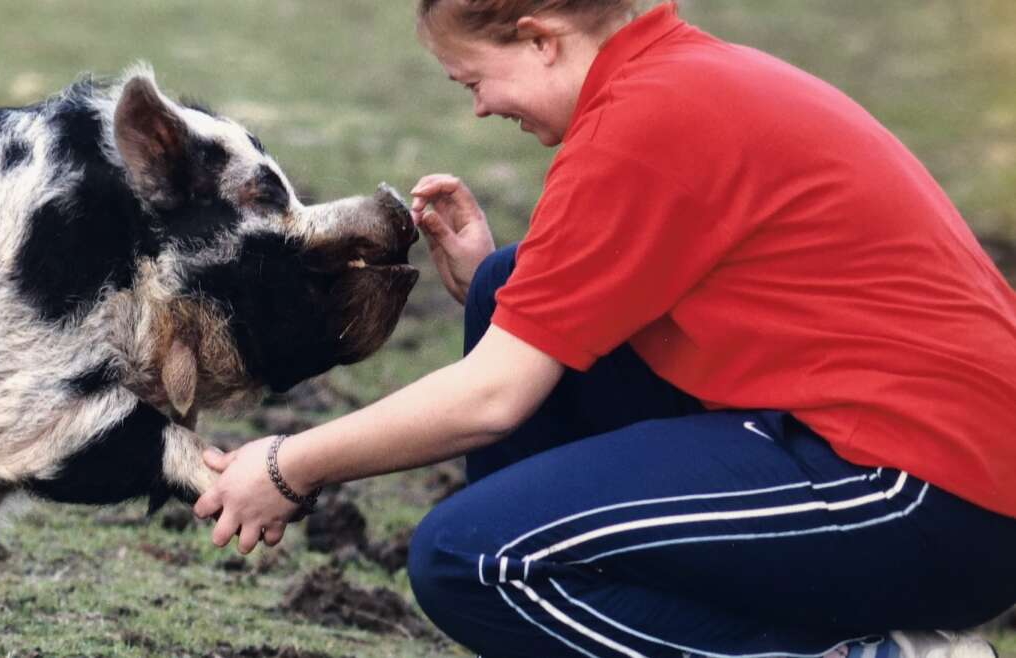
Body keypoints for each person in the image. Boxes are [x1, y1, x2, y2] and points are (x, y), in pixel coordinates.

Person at [193, 1, 1016, 656]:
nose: (479, 108)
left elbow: (494, 400)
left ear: (539, 38)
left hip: (927, 494)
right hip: (885, 456)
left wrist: (291, 464)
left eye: (472, 79)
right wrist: (494, 285)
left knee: (477, 561)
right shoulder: (671, 81)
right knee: (505, 287)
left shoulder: (646, 123)